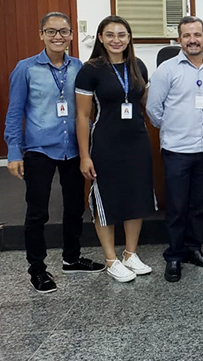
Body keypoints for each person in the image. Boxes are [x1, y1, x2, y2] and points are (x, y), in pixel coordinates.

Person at [4, 12, 105, 293]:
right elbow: (14, 113)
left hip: (73, 149)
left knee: (74, 208)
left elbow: (88, 109)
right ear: (41, 35)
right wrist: (14, 152)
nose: (58, 36)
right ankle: (37, 270)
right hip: (39, 149)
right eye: (51, 31)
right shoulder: (26, 69)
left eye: (63, 31)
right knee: (37, 213)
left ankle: (71, 259)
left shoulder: (80, 67)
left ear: (72, 35)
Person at [75, 16, 157, 283]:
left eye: (122, 35)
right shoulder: (91, 70)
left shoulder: (138, 66)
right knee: (107, 199)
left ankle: (130, 254)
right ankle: (111, 258)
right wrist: (85, 155)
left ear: (129, 38)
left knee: (136, 197)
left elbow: (146, 102)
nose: (116, 40)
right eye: (110, 35)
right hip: (106, 143)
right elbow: (82, 116)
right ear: (100, 37)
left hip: (137, 141)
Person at [146, 16, 203, 282]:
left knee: (199, 205)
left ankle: (193, 249)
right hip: (177, 149)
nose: (192, 40)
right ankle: (174, 256)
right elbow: (153, 109)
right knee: (177, 206)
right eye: (186, 35)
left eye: (197, 35)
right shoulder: (167, 69)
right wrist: (173, 128)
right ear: (179, 40)